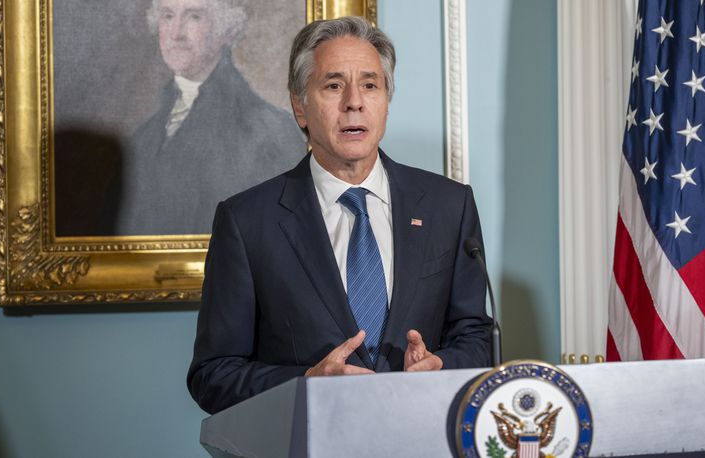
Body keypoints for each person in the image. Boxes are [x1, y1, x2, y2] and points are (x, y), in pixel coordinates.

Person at [187, 16, 491, 414]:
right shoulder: (247, 222)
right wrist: (306, 383)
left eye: (370, 84)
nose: (354, 102)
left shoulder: (448, 206)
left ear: (385, 99)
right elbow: (213, 374)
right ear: (300, 106)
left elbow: (477, 339)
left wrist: (441, 366)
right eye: (333, 85)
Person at [115, 0, 306, 235]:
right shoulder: (141, 140)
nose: (176, 33)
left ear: (227, 29)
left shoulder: (272, 131)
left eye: (194, 16)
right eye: (167, 16)